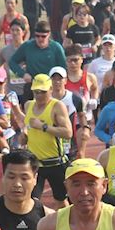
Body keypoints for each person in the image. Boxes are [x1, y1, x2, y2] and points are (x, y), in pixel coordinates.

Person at [21, 73, 73, 203]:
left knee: (62, 200)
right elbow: (28, 130)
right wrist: (24, 137)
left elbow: (68, 133)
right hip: (35, 163)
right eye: (36, 92)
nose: (39, 95)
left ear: (50, 90)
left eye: (42, 92)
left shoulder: (56, 106)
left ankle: (63, 223)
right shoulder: (28, 105)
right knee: (31, 200)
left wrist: (43, 127)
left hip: (55, 162)